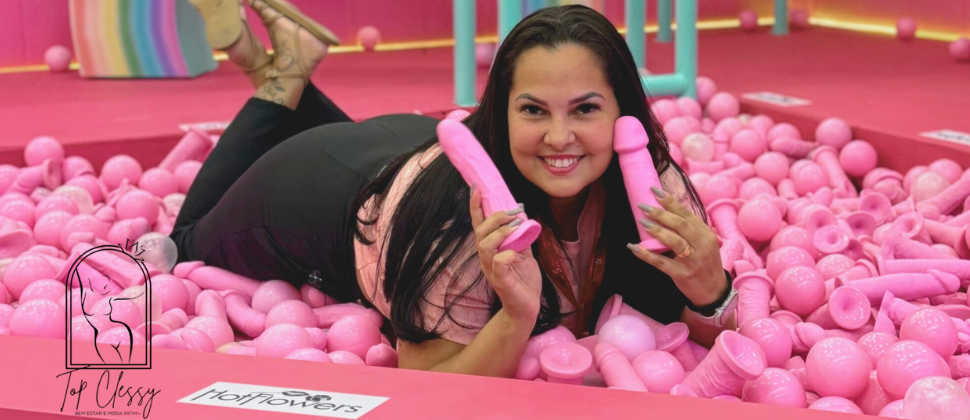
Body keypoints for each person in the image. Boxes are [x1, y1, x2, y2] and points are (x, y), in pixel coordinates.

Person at [172, 2, 736, 378]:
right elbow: (427, 379)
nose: (559, 136)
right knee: (183, 241)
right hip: (321, 192)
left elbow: (716, 327)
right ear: (498, 115)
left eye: (585, 109)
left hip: (414, 149)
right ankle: (280, 80)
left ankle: (289, 65)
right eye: (533, 110)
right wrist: (514, 316)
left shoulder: (653, 190)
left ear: (622, 113)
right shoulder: (463, 226)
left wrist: (712, 290)